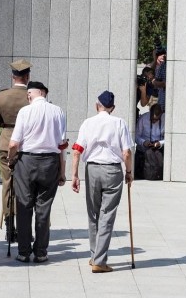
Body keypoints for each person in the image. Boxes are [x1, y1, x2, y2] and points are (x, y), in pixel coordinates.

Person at [71, 91, 133, 273]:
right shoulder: (120, 123)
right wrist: (128, 172)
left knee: (93, 213)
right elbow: (127, 152)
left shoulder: (88, 123)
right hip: (113, 170)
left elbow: (77, 151)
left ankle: (94, 256)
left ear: (96, 105)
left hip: (92, 169)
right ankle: (99, 260)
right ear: (112, 108)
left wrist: (74, 175)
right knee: (107, 214)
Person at [7, 81, 66, 263]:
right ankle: (41, 251)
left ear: (33, 94)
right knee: (44, 207)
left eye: (29, 94)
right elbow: (62, 144)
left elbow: (14, 143)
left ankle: (24, 251)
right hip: (50, 161)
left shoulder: (25, 111)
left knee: (24, 206)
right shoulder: (58, 111)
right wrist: (62, 172)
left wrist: (10, 160)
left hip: (27, 161)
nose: (28, 97)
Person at [0, 59, 31, 228]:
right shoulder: (32, 96)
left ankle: (9, 223)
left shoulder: (2, 96)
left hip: (6, 142)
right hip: (27, 144)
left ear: (12, 76)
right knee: (25, 186)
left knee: (7, 183)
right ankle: (23, 224)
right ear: (27, 77)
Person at [136, 103, 165, 181]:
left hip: (158, 152)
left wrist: (160, 143)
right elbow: (136, 136)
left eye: (156, 119)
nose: (154, 121)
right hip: (143, 152)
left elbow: (170, 138)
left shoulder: (165, 119)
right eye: (152, 119)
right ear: (150, 113)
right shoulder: (143, 119)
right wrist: (144, 142)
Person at [152, 47, 167, 112]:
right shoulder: (161, 65)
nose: (162, 56)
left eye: (164, 54)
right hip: (156, 98)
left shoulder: (164, 65)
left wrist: (153, 81)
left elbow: (164, 83)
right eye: (160, 55)